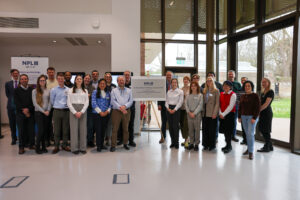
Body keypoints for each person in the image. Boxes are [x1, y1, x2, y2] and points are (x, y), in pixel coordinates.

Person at [110, 76, 133, 152]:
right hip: (116, 111)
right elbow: (113, 101)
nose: (121, 82)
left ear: (124, 81)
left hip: (126, 111)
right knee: (115, 129)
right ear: (117, 82)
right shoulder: (113, 91)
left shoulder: (129, 90)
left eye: (122, 80)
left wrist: (124, 107)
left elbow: (131, 101)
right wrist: (121, 108)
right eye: (119, 80)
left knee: (126, 129)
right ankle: (113, 145)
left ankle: (125, 144)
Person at [238, 80, 260, 160]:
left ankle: (251, 152)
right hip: (243, 117)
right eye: (246, 86)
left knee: (250, 134)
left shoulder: (255, 96)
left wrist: (254, 117)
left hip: (252, 117)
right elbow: (240, 107)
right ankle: (248, 149)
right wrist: (239, 116)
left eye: (249, 86)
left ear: (251, 87)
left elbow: (257, 107)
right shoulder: (243, 96)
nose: (247, 87)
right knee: (247, 134)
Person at [67, 75, 89, 154]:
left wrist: (82, 111)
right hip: (73, 110)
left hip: (83, 110)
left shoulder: (85, 90)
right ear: (75, 80)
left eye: (80, 79)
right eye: (77, 79)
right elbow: (68, 103)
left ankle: (83, 148)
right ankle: (74, 148)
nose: (79, 80)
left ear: (82, 81)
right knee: (74, 130)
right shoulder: (70, 90)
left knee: (83, 129)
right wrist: (75, 112)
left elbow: (87, 102)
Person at [50, 73, 71, 154]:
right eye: (59, 78)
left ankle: (65, 145)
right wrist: (58, 106)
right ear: (57, 79)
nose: (61, 80)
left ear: (64, 79)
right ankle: (56, 146)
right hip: (57, 111)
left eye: (62, 78)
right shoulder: (53, 90)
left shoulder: (68, 90)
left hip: (66, 111)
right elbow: (52, 101)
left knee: (65, 130)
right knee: (57, 130)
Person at [14, 74, 35, 154]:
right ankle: (21, 147)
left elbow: (33, 101)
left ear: (28, 80)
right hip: (20, 114)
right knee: (21, 131)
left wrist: (28, 110)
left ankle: (31, 144)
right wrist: (24, 110)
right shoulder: (16, 90)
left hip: (30, 113)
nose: (24, 80)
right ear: (20, 80)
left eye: (25, 79)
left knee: (31, 130)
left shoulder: (32, 90)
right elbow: (16, 102)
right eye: (22, 79)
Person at [32, 75, 51, 154]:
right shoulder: (34, 91)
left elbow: (50, 101)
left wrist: (48, 110)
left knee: (44, 130)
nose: (42, 82)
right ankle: (37, 147)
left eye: (43, 80)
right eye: (41, 80)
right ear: (38, 82)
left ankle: (43, 146)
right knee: (40, 130)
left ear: (45, 81)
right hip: (38, 113)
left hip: (46, 113)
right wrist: (43, 111)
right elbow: (35, 104)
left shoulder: (48, 90)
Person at [116, 70, 136, 147]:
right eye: (125, 75)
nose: (127, 76)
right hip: (121, 108)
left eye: (128, 75)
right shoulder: (120, 85)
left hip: (131, 108)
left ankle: (131, 140)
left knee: (131, 124)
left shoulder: (134, 84)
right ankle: (121, 140)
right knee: (121, 124)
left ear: (130, 76)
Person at [92, 79, 111, 152]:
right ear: (99, 84)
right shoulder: (95, 92)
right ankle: (98, 146)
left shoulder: (108, 93)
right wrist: (100, 112)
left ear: (106, 85)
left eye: (104, 84)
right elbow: (93, 103)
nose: (102, 85)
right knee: (98, 130)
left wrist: (107, 111)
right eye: (101, 83)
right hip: (97, 114)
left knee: (103, 130)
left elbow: (110, 104)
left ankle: (102, 144)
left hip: (106, 114)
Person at [202, 77, 220, 151]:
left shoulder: (216, 91)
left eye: (210, 81)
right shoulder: (204, 90)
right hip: (205, 112)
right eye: (207, 81)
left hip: (212, 113)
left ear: (213, 82)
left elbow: (217, 103)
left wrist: (215, 113)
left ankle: (212, 145)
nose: (208, 82)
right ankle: (205, 144)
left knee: (212, 130)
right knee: (205, 129)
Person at [166, 78, 184, 149]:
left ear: (177, 83)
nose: (174, 84)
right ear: (171, 83)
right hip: (169, 109)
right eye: (173, 82)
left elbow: (180, 102)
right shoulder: (168, 91)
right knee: (170, 127)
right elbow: (166, 101)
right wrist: (168, 108)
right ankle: (172, 142)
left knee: (175, 126)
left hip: (176, 109)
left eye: (175, 82)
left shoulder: (180, 91)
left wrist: (174, 109)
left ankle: (176, 143)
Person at [219, 81, 236, 153]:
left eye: (227, 86)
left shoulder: (233, 94)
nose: (225, 87)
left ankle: (229, 146)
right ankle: (227, 145)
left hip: (229, 115)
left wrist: (223, 114)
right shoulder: (221, 94)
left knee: (228, 131)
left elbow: (231, 106)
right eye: (224, 86)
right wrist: (220, 113)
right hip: (222, 114)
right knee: (225, 131)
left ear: (230, 87)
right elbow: (219, 104)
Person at [257, 78, 274, 153]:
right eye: (262, 82)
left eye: (265, 82)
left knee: (266, 130)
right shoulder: (263, 92)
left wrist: (258, 111)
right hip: (262, 113)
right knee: (261, 128)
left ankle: (267, 146)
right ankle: (269, 145)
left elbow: (266, 104)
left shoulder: (270, 92)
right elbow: (260, 102)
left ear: (268, 83)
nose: (263, 83)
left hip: (267, 113)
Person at [185, 81, 203, 151]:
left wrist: (194, 113)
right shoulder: (188, 95)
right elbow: (186, 104)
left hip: (197, 115)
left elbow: (200, 105)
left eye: (194, 86)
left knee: (197, 130)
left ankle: (197, 144)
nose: (193, 87)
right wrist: (189, 112)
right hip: (189, 115)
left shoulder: (200, 95)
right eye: (192, 86)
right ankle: (191, 143)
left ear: (197, 87)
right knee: (191, 130)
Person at [5, 69, 19, 144]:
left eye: (17, 73)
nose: (15, 75)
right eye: (14, 73)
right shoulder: (8, 84)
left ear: (18, 74)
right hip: (11, 107)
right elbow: (7, 95)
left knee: (20, 123)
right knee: (12, 123)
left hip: (20, 107)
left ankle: (22, 138)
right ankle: (14, 138)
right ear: (11, 75)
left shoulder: (22, 82)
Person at [158, 71, 173, 143]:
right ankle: (162, 137)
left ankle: (173, 139)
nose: (169, 76)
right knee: (163, 123)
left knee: (172, 123)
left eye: (170, 75)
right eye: (167, 75)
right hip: (164, 106)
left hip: (172, 107)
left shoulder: (175, 83)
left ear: (172, 76)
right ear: (165, 76)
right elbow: (159, 93)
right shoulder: (162, 83)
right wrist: (159, 104)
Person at [227, 70, 241, 142]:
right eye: (229, 74)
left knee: (234, 121)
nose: (230, 75)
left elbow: (240, 94)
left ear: (234, 75)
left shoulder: (238, 84)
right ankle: (227, 135)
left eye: (232, 74)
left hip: (235, 105)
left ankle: (233, 135)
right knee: (228, 121)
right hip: (227, 105)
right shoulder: (226, 83)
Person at [46, 67, 58, 146]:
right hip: (47, 106)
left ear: (54, 73)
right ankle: (48, 139)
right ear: (47, 73)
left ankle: (55, 138)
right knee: (48, 123)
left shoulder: (58, 82)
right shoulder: (45, 82)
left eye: (52, 72)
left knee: (56, 123)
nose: (51, 73)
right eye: (49, 72)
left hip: (56, 106)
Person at [104, 72, 116, 146]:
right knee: (103, 124)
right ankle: (103, 138)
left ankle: (109, 138)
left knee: (110, 124)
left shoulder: (114, 86)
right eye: (106, 76)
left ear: (111, 78)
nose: (108, 78)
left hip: (112, 108)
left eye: (109, 77)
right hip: (104, 108)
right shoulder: (102, 85)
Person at [85, 74, 97, 148]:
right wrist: (87, 95)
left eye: (88, 79)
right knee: (82, 126)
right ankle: (82, 140)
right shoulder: (80, 87)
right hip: (81, 108)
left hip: (89, 109)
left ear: (90, 80)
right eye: (86, 78)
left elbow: (93, 98)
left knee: (90, 126)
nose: (87, 80)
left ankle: (90, 141)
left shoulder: (92, 88)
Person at [180, 76, 190, 148]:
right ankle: (185, 139)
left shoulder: (191, 89)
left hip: (188, 109)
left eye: (187, 79)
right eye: (184, 79)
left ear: (189, 81)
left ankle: (187, 140)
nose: (185, 81)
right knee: (182, 124)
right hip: (181, 109)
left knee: (186, 125)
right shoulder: (181, 89)